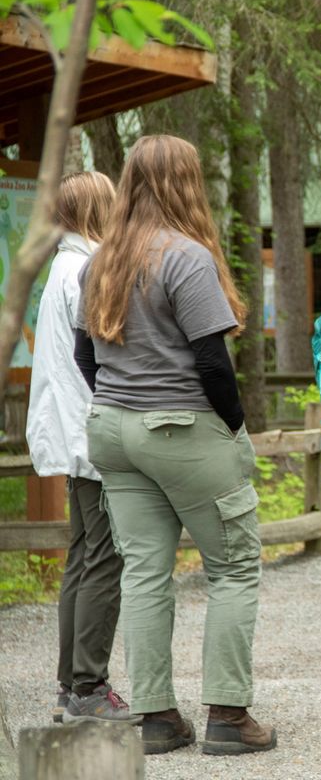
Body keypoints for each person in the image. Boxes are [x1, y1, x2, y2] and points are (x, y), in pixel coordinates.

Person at [75, 134, 275, 754]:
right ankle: (228, 717)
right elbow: (214, 365)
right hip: (181, 428)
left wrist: (124, 399)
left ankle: (157, 718)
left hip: (113, 430)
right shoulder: (187, 258)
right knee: (234, 566)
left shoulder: (98, 260)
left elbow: (86, 356)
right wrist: (235, 430)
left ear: (130, 181)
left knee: (143, 574)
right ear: (187, 183)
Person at [27, 171, 135, 726]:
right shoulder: (88, 271)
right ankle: (89, 686)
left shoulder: (61, 267)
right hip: (89, 434)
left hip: (68, 432)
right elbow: (105, 355)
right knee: (103, 560)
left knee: (81, 556)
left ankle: (72, 684)